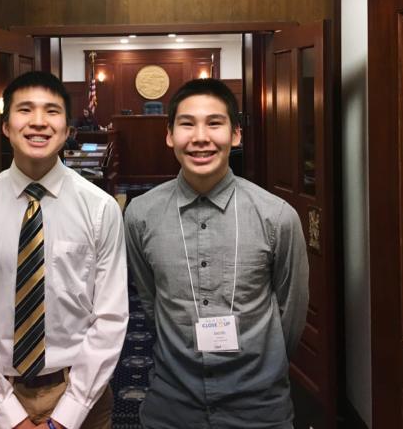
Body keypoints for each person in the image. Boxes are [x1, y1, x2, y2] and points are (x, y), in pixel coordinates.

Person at [124, 78, 309, 429]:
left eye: (214, 123)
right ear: (169, 135)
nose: (200, 137)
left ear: (236, 135)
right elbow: (151, 302)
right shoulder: (140, 215)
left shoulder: (277, 216)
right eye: (187, 124)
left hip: (259, 408)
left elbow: (291, 313)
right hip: (172, 404)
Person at [0, 71, 128, 429]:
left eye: (52, 111)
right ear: (6, 126)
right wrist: (8, 417)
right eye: (25, 110)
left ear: (67, 128)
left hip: (79, 393)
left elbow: (110, 316)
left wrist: (69, 414)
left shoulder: (100, 208)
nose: (39, 123)